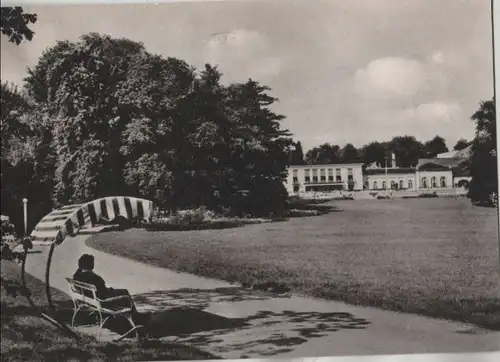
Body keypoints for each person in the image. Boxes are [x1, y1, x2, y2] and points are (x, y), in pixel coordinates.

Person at [73, 254, 149, 325]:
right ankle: (136, 317)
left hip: (89, 300)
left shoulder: (77, 276)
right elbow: (104, 295)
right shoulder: (95, 278)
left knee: (120, 292)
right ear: (91, 265)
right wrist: (110, 290)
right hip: (101, 302)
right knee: (125, 292)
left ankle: (133, 316)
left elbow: (100, 291)